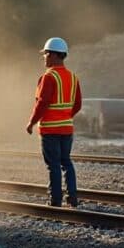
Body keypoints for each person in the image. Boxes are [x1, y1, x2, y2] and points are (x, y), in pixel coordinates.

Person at [26, 37, 82, 207]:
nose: (44, 57)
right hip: (67, 129)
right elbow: (78, 104)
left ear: (52, 55)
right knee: (66, 162)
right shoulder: (73, 78)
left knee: (54, 165)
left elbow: (42, 103)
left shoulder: (48, 78)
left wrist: (31, 123)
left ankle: (55, 200)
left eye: (45, 54)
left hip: (50, 130)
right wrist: (65, 116)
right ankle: (72, 197)